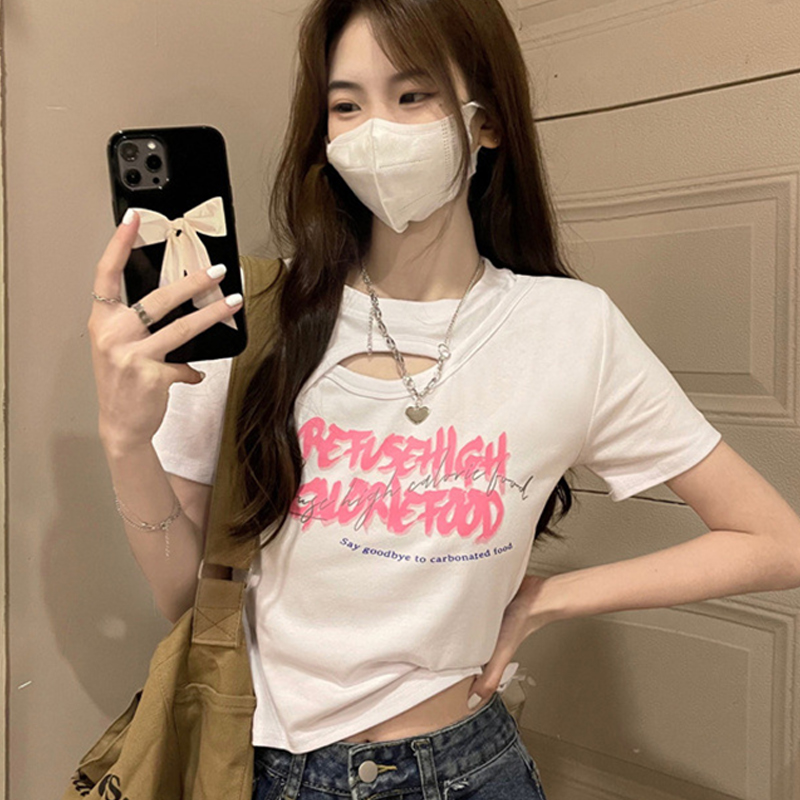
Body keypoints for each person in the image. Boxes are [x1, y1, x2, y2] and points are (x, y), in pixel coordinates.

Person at [87, 0, 800, 798]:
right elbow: (184, 600)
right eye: (346, 106)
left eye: (412, 95)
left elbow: (775, 541)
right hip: (264, 769)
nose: (376, 131)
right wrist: (125, 439)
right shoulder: (253, 317)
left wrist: (547, 599)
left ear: (485, 121)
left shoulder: (571, 328)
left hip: (468, 769)